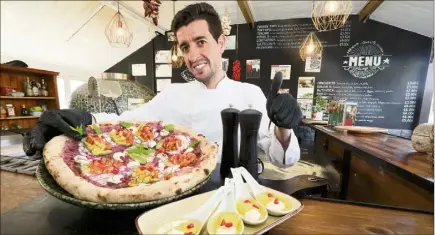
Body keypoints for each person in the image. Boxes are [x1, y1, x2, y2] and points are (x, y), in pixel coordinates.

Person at [23, 2, 303, 169]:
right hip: (180, 195)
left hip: (236, 197)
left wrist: (284, 126)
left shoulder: (250, 94)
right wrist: (85, 119)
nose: (192, 56)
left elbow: (283, 160)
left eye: (201, 42)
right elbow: (127, 122)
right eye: (185, 46)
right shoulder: (172, 94)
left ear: (220, 43)